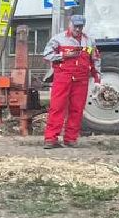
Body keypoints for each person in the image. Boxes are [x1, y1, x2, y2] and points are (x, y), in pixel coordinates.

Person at [42, 14, 101, 150]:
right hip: (63, 77)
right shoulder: (59, 39)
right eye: (76, 26)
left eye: (80, 26)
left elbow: (96, 60)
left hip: (81, 79)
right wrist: (63, 55)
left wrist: (97, 78)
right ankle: (51, 139)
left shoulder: (89, 41)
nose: (78, 29)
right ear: (70, 24)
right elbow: (46, 54)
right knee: (57, 107)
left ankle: (71, 139)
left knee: (77, 109)